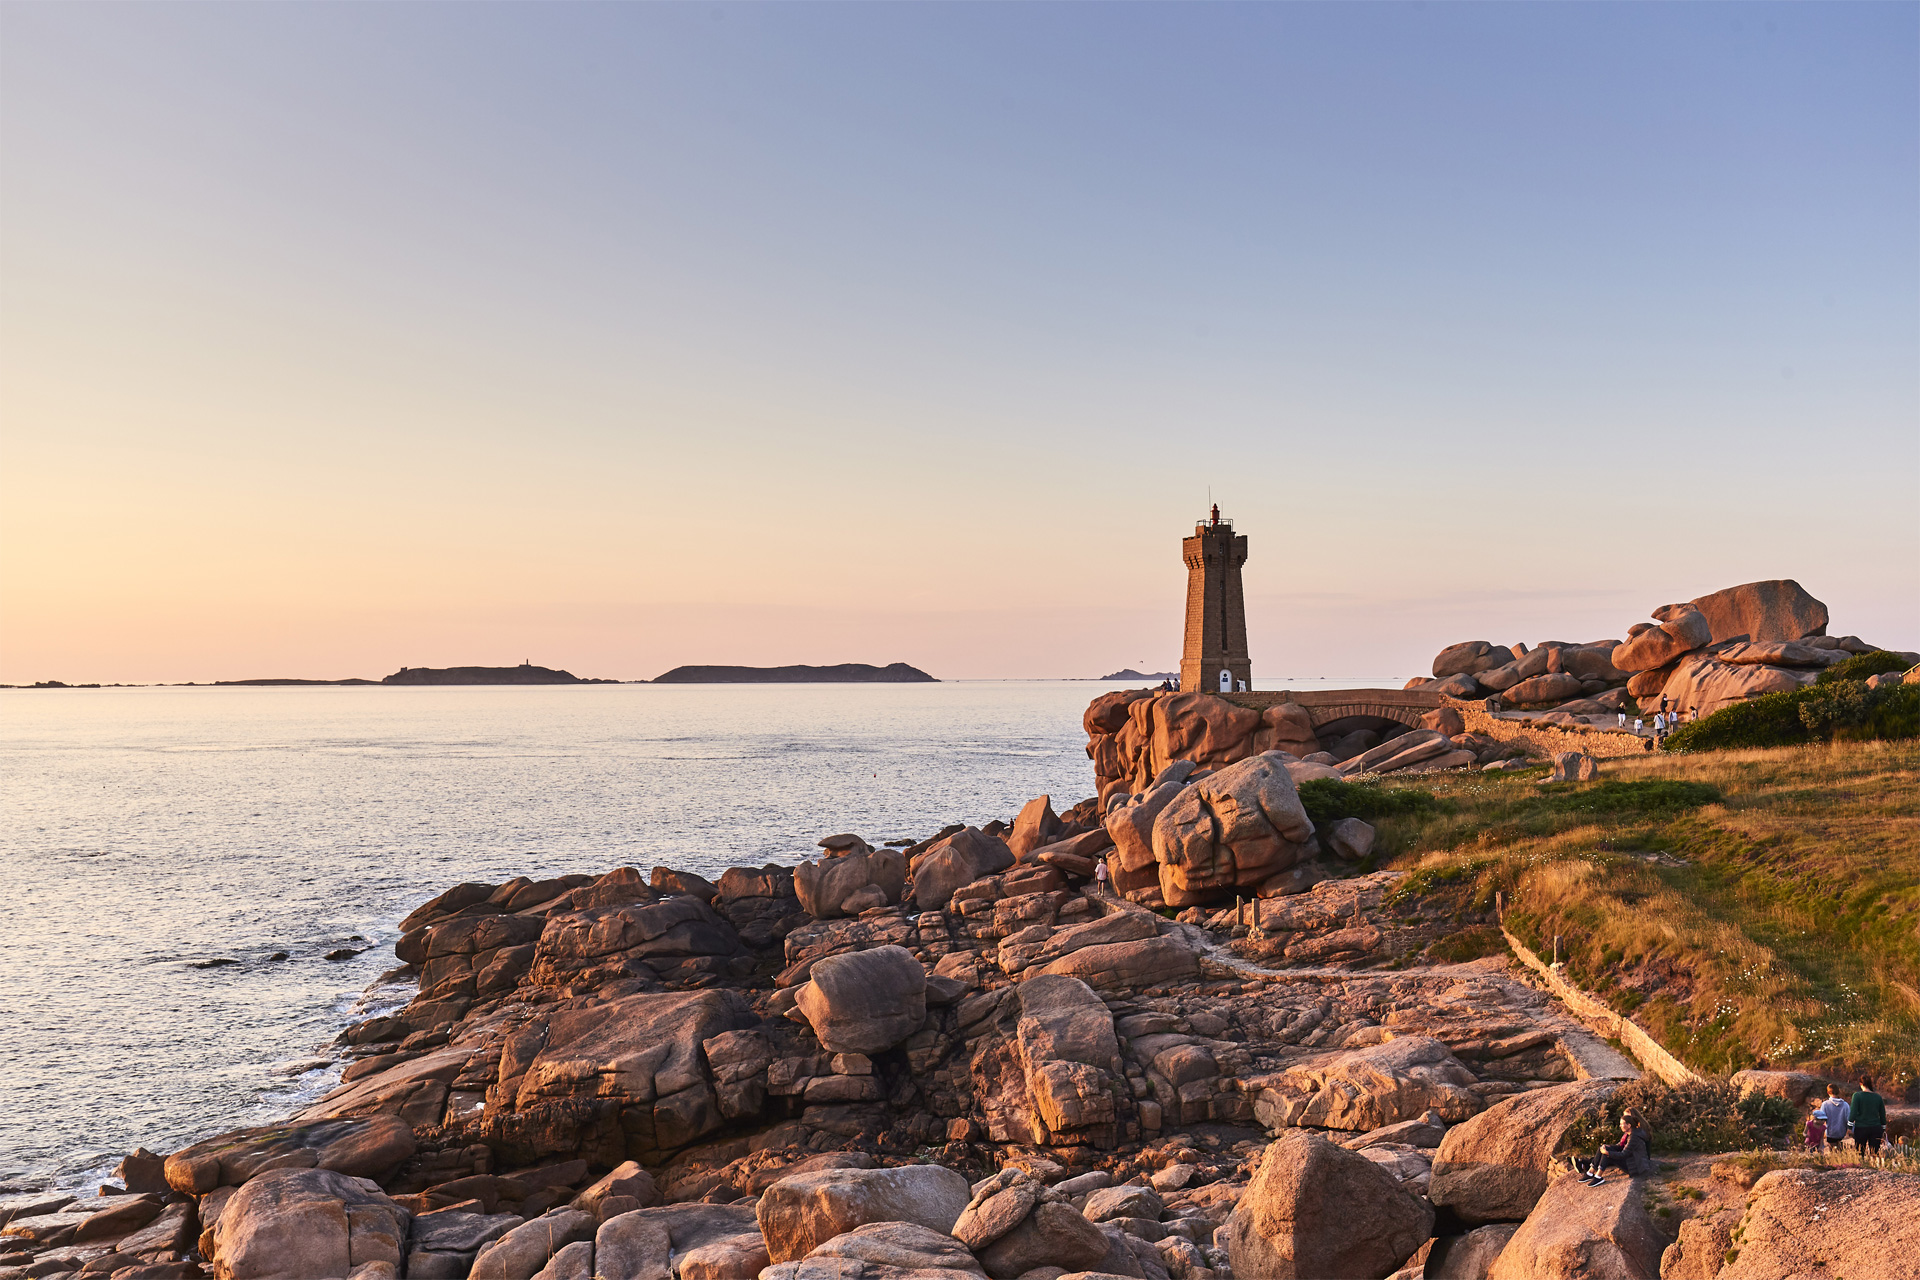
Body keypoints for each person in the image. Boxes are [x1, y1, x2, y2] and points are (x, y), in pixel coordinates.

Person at [1570, 1111, 1654, 1185]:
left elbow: (1623, 1154)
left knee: (1607, 1155)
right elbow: (1619, 1146)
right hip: (1631, 1160)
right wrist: (1607, 1147)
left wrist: (1607, 1152)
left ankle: (1598, 1177)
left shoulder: (1634, 1137)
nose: (1620, 1126)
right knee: (1602, 1148)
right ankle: (1590, 1173)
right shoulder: (1630, 1133)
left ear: (1629, 1125)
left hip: (1635, 1167)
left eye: (1622, 1124)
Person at [1850, 1077, 1887, 1155]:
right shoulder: (1878, 1097)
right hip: (1875, 1127)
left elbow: (1853, 1112)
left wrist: (1849, 1126)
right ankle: (1873, 1166)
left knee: (1860, 1152)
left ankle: (1862, 1166)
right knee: (1874, 1152)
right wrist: (1883, 1127)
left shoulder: (1857, 1096)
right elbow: (1882, 1114)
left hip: (1861, 1127)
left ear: (1860, 1084)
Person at [1817, 1084, 1852, 1150]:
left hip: (1831, 1134)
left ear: (1828, 1092)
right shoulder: (1845, 1105)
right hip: (1842, 1134)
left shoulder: (1825, 1104)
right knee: (1842, 1154)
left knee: (1833, 1153)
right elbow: (1849, 1120)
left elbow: (1821, 1120)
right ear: (1838, 1092)